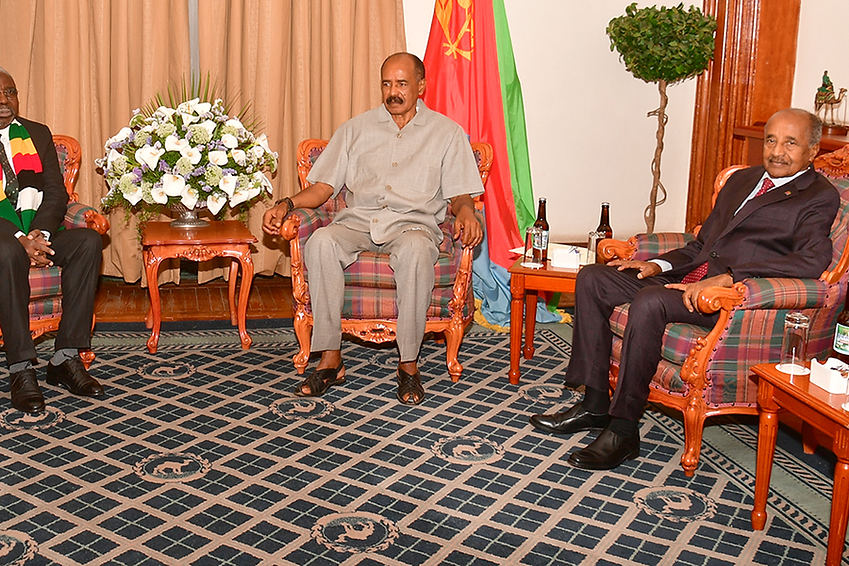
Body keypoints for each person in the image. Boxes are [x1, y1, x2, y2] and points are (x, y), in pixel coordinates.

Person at [530, 107, 840, 470]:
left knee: (650, 301)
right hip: (689, 278)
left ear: (812, 151)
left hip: (729, 301)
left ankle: (624, 428)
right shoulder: (745, 179)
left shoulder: (817, 195)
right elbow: (702, 244)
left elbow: (810, 262)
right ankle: (595, 403)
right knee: (593, 278)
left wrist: (733, 276)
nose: (777, 151)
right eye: (771, 140)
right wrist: (656, 264)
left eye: (791, 143)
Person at [262, 52, 485, 404]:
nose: (393, 92)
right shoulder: (355, 129)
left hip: (414, 226)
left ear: (421, 86)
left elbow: (459, 193)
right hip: (360, 221)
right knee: (321, 242)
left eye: (401, 84)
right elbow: (324, 188)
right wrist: (287, 203)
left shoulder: (446, 133)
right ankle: (331, 359)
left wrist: (467, 212)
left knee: (414, 253)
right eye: (386, 84)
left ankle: (408, 365)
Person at [0, 65, 105, 414]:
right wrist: (18, 238)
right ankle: (21, 368)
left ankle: (65, 357)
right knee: (5, 248)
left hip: (33, 232)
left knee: (88, 242)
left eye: (9, 92)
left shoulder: (37, 134)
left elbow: (56, 194)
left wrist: (38, 234)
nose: (3, 99)